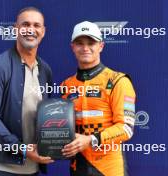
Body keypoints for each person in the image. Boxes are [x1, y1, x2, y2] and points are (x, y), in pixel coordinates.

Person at [0, 7, 54, 176]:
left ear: (43, 31)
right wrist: (20, 148)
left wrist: (54, 142)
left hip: (32, 166)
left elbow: (47, 114)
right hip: (2, 168)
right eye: (25, 24)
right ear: (15, 29)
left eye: (36, 25)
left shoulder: (45, 70)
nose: (31, 30)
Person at [61, 21, 136, 176]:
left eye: (91, 43)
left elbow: (126, 129)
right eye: (80, 43)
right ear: (72, 47)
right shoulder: (66, 85)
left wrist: (90, 140)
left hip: (109, 169)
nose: (85, 48)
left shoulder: (118, 81)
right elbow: (65, 127)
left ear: (101, 46)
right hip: (78, 167)